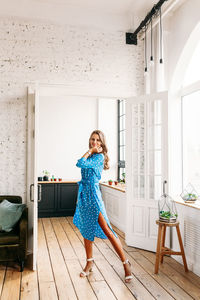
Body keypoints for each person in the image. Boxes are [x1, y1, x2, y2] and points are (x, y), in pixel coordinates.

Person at [73, 130, 133, 283]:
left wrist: (90, 151)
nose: (94, 142)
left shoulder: (99, 157)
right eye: (92, 139)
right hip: (84, 195)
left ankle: (126, 264)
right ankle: (89, 262)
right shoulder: (92, 155)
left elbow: (79, 162)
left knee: (107, 229)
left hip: (93, 194)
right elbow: (80, 163)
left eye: (98, 140)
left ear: (102, 143)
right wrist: (89, 152)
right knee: (86, 229)